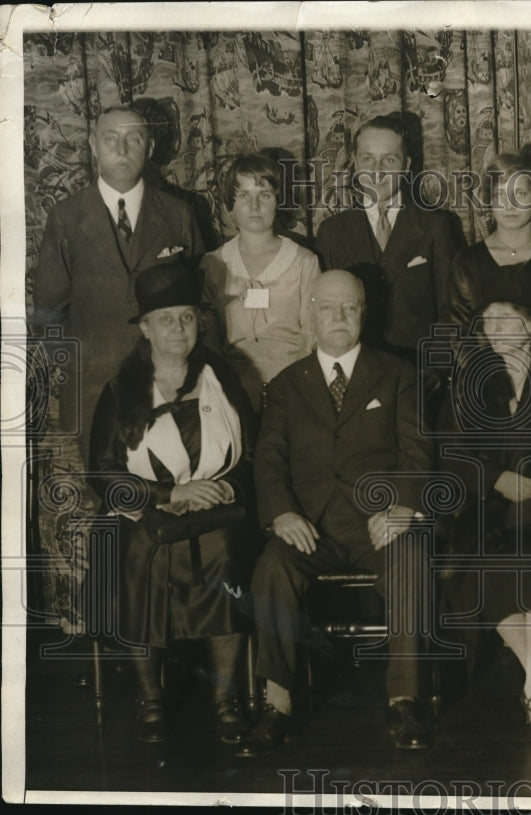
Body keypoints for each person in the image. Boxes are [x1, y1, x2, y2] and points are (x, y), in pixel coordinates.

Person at [240, 270, 436, 756]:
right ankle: (276, 704)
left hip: (378, 524)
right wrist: (282, 514)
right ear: (310, 312)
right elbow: (269, 459)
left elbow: (418, 451)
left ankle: (404, 701)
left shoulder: (398, 374)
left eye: (350, 307)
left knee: (410, 563)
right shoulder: (285, 385)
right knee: (272, 567)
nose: (339, 317)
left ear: (364, 313)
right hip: (310, 527)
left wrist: (403, 506)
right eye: (328, 307)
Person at [87, 260, 257, 745]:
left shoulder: (223, 381)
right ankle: (151, 696)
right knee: (144, 547)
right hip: (143, 513)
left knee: (225, 546)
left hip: (214, 513)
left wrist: (226, 487)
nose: (178, 329)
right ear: (145, 328)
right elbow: (102, 472)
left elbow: (254, 455)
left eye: (186, 316)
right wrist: (168, 494)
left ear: (199, 322)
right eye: (166, 319)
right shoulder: (121, 391)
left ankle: (226, 699)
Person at [438, 285, 531, 739]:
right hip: (486, 508)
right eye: (487, 322)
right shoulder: (468, 380)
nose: (494, 330)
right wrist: (495, 480)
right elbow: (451, 453)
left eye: (505, 319)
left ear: (530, 326)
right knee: (484, 566)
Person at [33, 105, 205, 465]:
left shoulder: (178, 213)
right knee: (110, 495)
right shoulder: (65, 218)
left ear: (151, 148)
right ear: (94, 146)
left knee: (177, 493)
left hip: (169, 383)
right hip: (95, 388)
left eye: (134, 139)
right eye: (111, 139)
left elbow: (200, 297)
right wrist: (78, 367)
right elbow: (49, 310)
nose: (122, 150)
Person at [314, 114, 463, 362]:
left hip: (420, 374)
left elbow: (452, 311)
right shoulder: (332, 231)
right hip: (356, 375)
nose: (377, 171)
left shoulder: (437, 226)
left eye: (389, 160)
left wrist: (433, 372)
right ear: (355, 164)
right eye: (368, 160)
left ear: (406, 166)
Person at [201, 153, 320, 411]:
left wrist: (293, 387)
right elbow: (209, 338)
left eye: (264, 195)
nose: (254, 206)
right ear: (229, 206)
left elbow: (312, 332)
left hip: (292, 386)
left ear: (278, 201)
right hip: (231, 389)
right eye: (243, 196)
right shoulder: (213, 264)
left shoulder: (304, 261)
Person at [447, 149, 531, 343]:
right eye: (500, 194)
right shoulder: (467, 261)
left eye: (520, 193)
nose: (509, 205)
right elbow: (458, 335)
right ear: (489, 200)